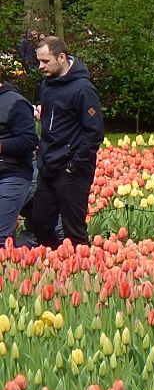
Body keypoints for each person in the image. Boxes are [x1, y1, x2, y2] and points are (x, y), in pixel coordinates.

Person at [29, 37, 104, 247]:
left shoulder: (83, 89)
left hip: (72, 170)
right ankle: (58, 266)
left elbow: (94, 132)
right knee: (40, 224)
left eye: (45, 61)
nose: (41, 66)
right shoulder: (47, 84)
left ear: (61, 57)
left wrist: (75, 165)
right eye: (39, 62)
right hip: (48, 165)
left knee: (74, 231)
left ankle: (84, 275)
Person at [0, 78, 38, 243]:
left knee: (1, 235)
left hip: (12, 173)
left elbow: (30, 140)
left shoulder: (15, 102)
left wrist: (1, 146)